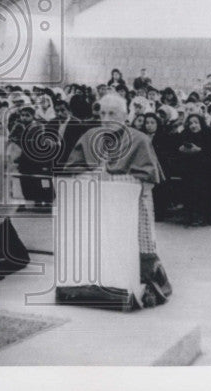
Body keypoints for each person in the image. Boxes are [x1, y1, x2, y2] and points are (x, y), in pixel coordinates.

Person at [63, 93, 170, 308]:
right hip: (99, 204)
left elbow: (148, 181)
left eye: (112, 113)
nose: (106, 117)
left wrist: (114, 179)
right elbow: (73, 170)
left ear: (124, 116)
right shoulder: (89, 136)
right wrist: (91, 177)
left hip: (132, 205)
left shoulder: (139, 139)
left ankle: (138, 280)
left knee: (134, 245)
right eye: (102, 113)